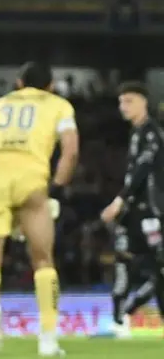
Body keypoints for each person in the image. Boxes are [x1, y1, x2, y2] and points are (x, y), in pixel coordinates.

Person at [0, 62, 78, 356]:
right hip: (32, 177)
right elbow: (71, 151)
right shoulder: (59, 105)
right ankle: (48, 340)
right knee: (43, 260)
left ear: (19, 82)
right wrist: (56, 189)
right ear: (51, 85)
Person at [100, 82, 164, 339]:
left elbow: (143, 169)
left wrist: (120, 200)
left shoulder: (152, 133)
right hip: (134, 212)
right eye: (121, 102)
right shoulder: (136, 133)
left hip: (152, 213)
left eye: (129, 101)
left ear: (143, 102)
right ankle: (119, 322)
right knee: (123, 261)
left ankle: (129, 311)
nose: (123, 107)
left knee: (159, 269)